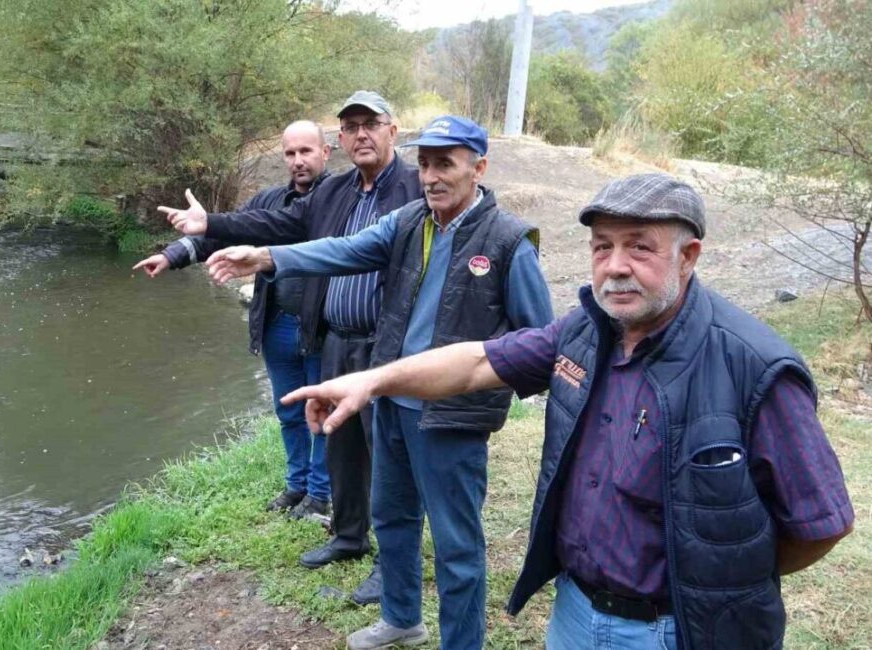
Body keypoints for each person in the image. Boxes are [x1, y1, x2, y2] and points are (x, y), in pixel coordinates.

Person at [282, 173, 856, 650]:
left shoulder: (754, 366)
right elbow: (477, 364)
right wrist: (374, 381)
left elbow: (821, 525)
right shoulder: (583, 331)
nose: (615, 265)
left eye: (640, 246)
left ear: (690, 256)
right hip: (574, 614)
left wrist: (715, 579)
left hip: (680, 629)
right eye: (602, 246)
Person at [205, 115, 554, 650]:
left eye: (446, 164)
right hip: (389, 398)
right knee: (391, 517)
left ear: (479, 167)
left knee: (457, 544)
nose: (432, 176)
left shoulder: (508, 242)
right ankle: (402, 618)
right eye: (425, 164)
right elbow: (342, 250)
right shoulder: (411, 220)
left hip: (452, 416)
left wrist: (484, 384)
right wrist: (269, 257)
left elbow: (536, 343)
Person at [157, 91, 423, 604]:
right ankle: (349, 536)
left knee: (391, 459)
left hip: (392, 346)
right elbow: (275, 223)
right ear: (340, 140)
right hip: (339, 340)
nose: (361, 134)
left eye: (372, 123)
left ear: (393, 130)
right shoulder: (336, 192)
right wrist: (209, 225)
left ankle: (394, 566)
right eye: (351, 126)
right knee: (342, 445)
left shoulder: (416, 187)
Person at [135, 120, 333, 519]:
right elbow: (223, 233)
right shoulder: (268, 199)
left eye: (306, 151)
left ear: (325, 153)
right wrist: (172, 255)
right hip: (276, 322)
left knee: (323, 410)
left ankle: (320, 492)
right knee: (288, 410)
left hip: (322, 327)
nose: (298, 161)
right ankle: (296, 486)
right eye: (290, 153)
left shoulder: (337, 200)